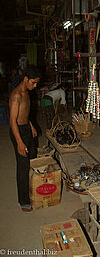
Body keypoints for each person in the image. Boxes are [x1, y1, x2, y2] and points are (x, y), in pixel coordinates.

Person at [9, 67, 40, 213]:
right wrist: (19, 142)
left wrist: (31, 125)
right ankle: (23, 201)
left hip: (26, 127)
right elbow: (12, 120)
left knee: (32, 158)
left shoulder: (27, 92)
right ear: (26, 79)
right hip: (18, 131)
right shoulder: (16, 95)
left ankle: (33, 187)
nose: (35, 86)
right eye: (33, 83)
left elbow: (25, 112)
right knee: (22, 166)